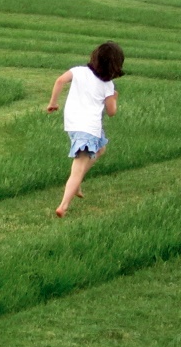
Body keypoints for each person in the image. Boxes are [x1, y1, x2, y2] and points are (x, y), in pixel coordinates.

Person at [46, 41, 124, 218]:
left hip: (73, 124)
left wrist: (53, 103)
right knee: (79, 166)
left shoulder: (79, 71)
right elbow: (112, 112)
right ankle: (63, 205)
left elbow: (59, 81)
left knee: (101, 148)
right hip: (88, 128)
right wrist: (114, 99)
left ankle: (77, 183)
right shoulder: (108, 86)